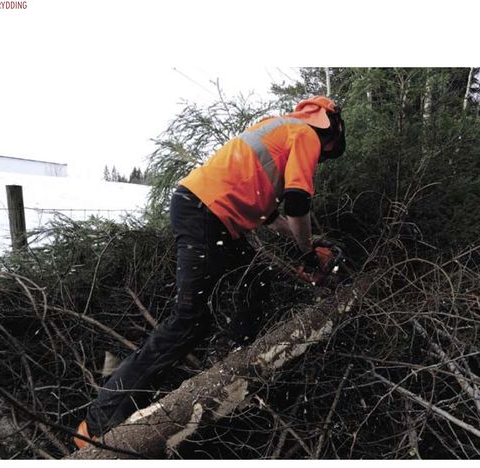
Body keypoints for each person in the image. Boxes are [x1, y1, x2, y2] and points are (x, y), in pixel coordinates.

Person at [75, 96, 346, 447]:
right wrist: (309, 255)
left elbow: (272, 212)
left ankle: (233, 359)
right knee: (188, 320)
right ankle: (97, 424)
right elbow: (297, 203)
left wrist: (306, 238)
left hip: (211, 214)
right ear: (331, 128)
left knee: (257, 279)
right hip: (205, 214)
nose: (321, 158)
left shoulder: (281, 128)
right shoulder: (306, 135)